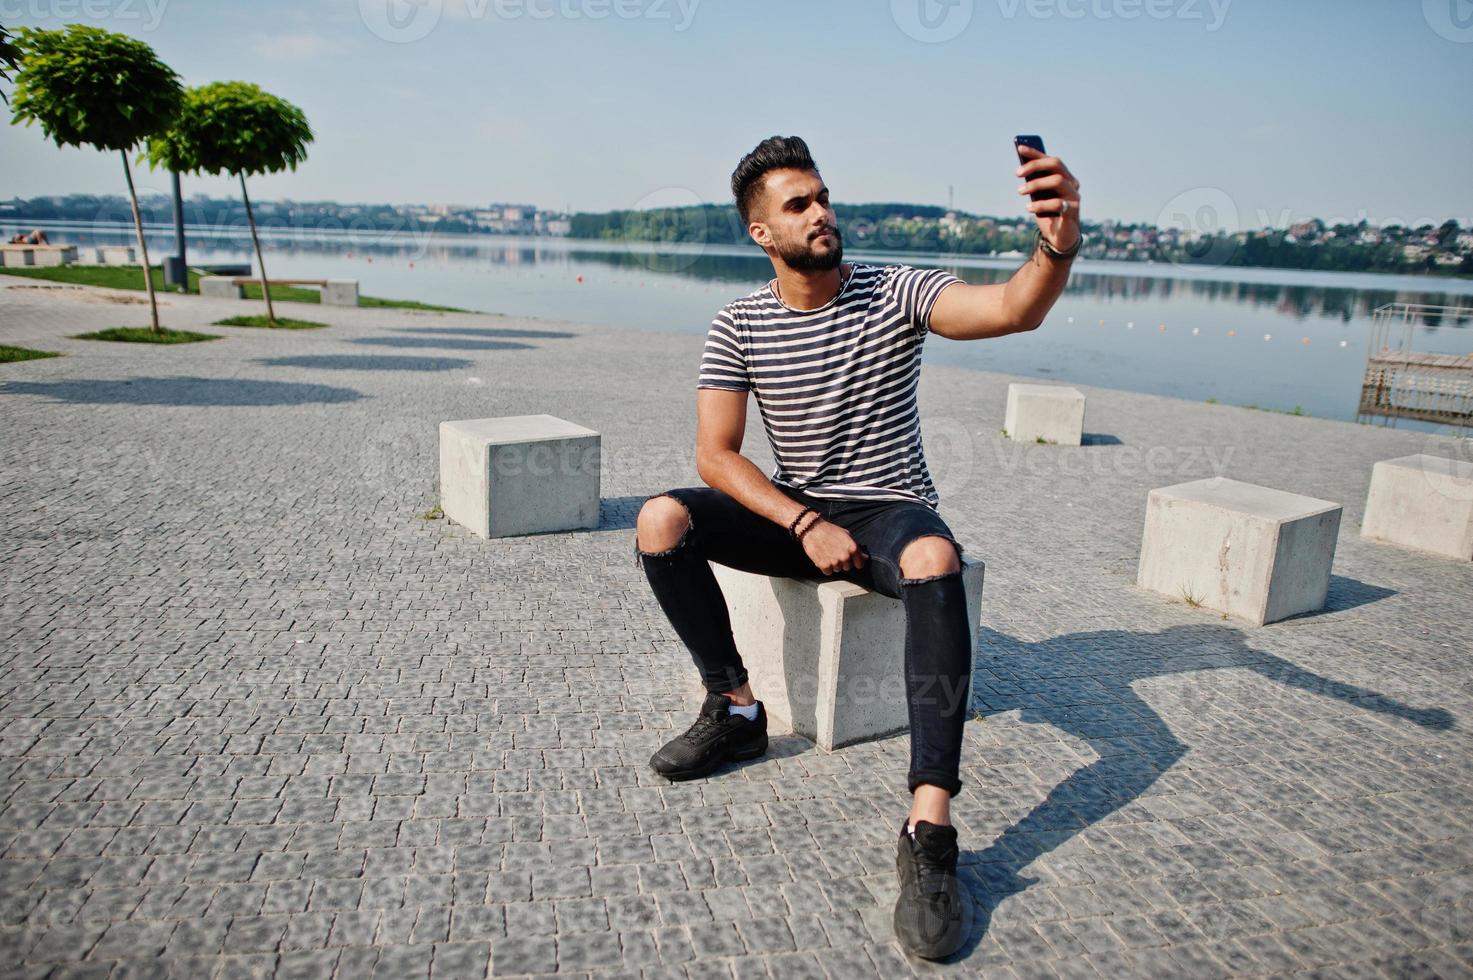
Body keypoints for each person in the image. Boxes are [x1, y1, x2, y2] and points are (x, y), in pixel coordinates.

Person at [634, 135, 1082, 958]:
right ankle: (734, 709)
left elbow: (1014, 308)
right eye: (797, 206)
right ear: (762, 234)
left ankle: (929, 831)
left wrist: (1055, 241)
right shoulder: (738, 321)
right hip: (796, 508)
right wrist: (802, 521)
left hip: (888, 507)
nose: (821, 213)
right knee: (661, 519)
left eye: (822, 197)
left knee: (935, 561)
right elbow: (716, 455)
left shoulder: (894, 291)